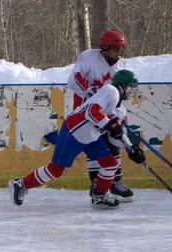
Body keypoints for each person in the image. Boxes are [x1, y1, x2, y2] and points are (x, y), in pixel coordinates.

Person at [9, 69, 145, 210]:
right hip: (74, 131)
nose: (131, 91)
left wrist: (131, 148)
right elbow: (91, 111)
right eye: (130, 87)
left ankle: (99, 196)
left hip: (91, 135)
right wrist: (108, 124)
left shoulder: (120, 107)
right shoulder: (111, 91)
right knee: (56, 170)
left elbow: (117, 130)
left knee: (110, 164)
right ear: (122, 85)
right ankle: (20, 184)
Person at [65, 29, 135, 202]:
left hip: (107, 109)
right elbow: (74, 80)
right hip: (86, 110)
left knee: (114, 141)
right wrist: (91, 92)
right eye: (115, 49)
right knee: (95, 147)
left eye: (120, 49)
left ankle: (115, 181)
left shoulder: (119, 65)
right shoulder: (88, 57)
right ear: (105, 47)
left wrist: (119, 115)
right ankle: (95, 186)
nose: (118, 53)